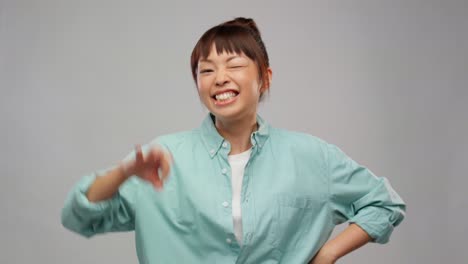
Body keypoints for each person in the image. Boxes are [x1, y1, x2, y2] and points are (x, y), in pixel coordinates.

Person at [61, 17, 406, 264]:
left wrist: (328, 253)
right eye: (206, 70)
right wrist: (123, 173)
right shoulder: (164, 156)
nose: (219, 79)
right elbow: (80, 216)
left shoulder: (311, 156)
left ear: (264, 78)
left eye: (234, 65)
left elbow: (385, 204)